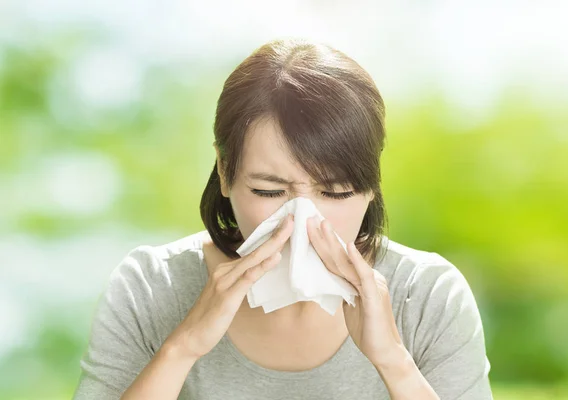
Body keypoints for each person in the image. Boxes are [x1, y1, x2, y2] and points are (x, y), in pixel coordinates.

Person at [73, 38, 493, 400]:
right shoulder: (151, 286)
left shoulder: (424, 295)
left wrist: (393, 361)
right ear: (224, 171)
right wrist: (182, 347)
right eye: (269, 191)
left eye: (336, 192)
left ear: (371, 184)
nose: (302, 221)